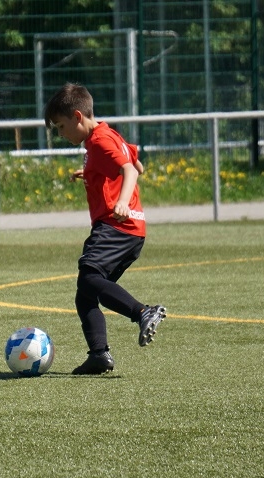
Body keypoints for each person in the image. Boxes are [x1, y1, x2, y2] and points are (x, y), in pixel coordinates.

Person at [44, 83, 166, 374]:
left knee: (89, 277)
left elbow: (129, 170)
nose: (61, 134)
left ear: (77, 116)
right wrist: (91, 172)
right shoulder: (108, 134)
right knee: (85, 295)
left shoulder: (99, 141)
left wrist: (121, 201)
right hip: (132, 230)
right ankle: (99, 355)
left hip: (116, 225)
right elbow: (138, 164)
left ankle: (143, 312)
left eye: (61, 127)